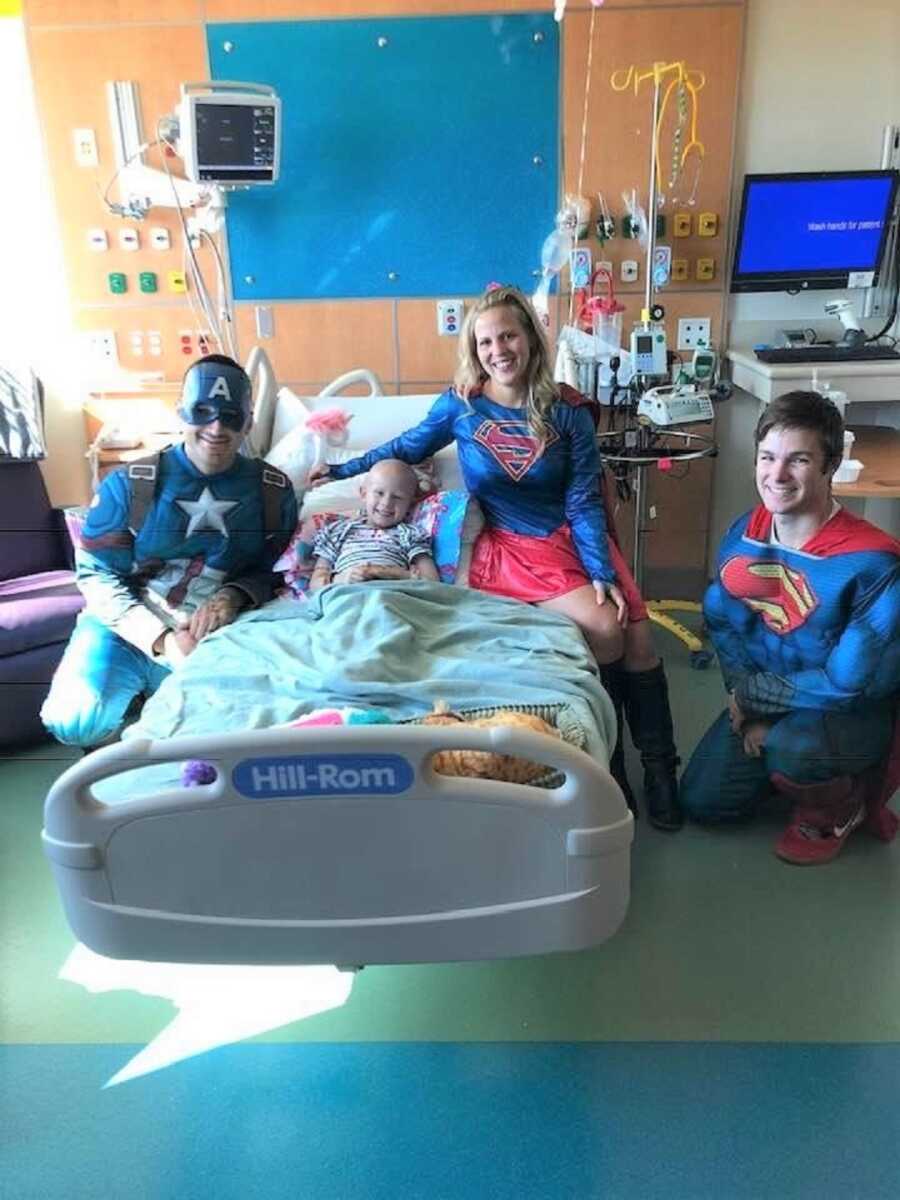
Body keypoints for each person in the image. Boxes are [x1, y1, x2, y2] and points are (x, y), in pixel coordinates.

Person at [309, 284, 681, 829]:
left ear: (530, 338)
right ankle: (615, 767)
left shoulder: (570, 413)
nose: (497, 349)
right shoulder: (461, 406)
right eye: (485, 341)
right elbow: (405, 448)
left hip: (565, 535)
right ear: (474, 350)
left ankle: (659, 769)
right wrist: (342, 471)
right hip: (501, 545)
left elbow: (581, 500)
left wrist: (600, 569)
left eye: (508, 334)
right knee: (607, 630)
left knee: (628, 633)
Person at [681, 390, 900, 864]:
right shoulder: (743, 533)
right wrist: (747, 701)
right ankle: (784, 764)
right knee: (703, 802)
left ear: (830, 465)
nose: (776, 476)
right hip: (769, 697)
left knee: (793, 750)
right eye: (767, 457)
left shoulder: (874, 562)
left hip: (849, 713)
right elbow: (724, 623)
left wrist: (752, 700)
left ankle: (842, 804)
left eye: (798, 460)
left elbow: (848, 684)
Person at [42, 354, 298, 748]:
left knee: (238, 726)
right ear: (181, 412)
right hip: (127, 624)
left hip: (215, 633)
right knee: (76, 719)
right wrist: (158, 639)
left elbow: (278, 570)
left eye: (231, 415)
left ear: (248, 421)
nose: (216, 427)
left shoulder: (272, 491)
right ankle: (137, 693)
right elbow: (96, 575)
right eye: (203, 412)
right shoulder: (129, 486)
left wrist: (234, 595)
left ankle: (158, 694)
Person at [308, 458, 439, 591]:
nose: (386, 503)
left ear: (410, 502)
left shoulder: (410, 534)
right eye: (379, 493)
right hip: (344, 594)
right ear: (364, 494)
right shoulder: (338, 531)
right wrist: (342, 579)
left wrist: (392, 574)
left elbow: (432, 582)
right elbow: (315, 586)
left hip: (392, 596)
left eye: (397, 497)